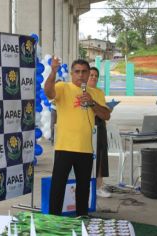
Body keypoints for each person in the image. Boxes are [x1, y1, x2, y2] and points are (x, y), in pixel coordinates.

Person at [44, 56, 110, 216]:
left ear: (89, 74)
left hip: (85, 148)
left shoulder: (96, 92)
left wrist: (92, 102)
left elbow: (106, 115)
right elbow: (48, 91)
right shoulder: (63, 87)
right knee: (58, 186)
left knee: (83, 188)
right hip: (64, 146)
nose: (80, 75)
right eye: (77, 72)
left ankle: (82, 217)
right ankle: (54, 220)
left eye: (84, 72)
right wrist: (53, 71)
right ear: (72, 74)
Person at [87, 66, 112, 198]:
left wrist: (107, 109)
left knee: (102, 156)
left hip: (101, 125)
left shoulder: (100, 92)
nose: (93, 78)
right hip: (90, 125)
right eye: (91, 75)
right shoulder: (83, 90)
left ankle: (99, 185)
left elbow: (104, 108)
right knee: (90, 158)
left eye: (96, 76)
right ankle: (90, 186)